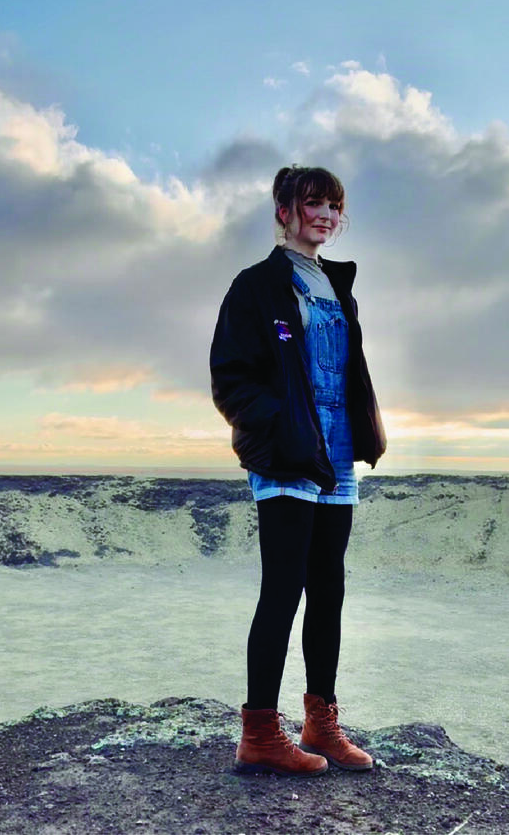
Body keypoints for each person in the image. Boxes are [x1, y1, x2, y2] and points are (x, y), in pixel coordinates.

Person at [210, 166, 386, 776]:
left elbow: (347, 374)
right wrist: (282, 427)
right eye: (314, 203)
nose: (327, 216)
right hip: (287, 455)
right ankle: (259, 731)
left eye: (335, 207)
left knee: (328, 589)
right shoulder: (256, 286)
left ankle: (320, 723)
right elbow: (230, 379)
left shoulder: (338, 287)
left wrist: (366, 428)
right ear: (284, 209)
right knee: (283, 588)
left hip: (334, 452)